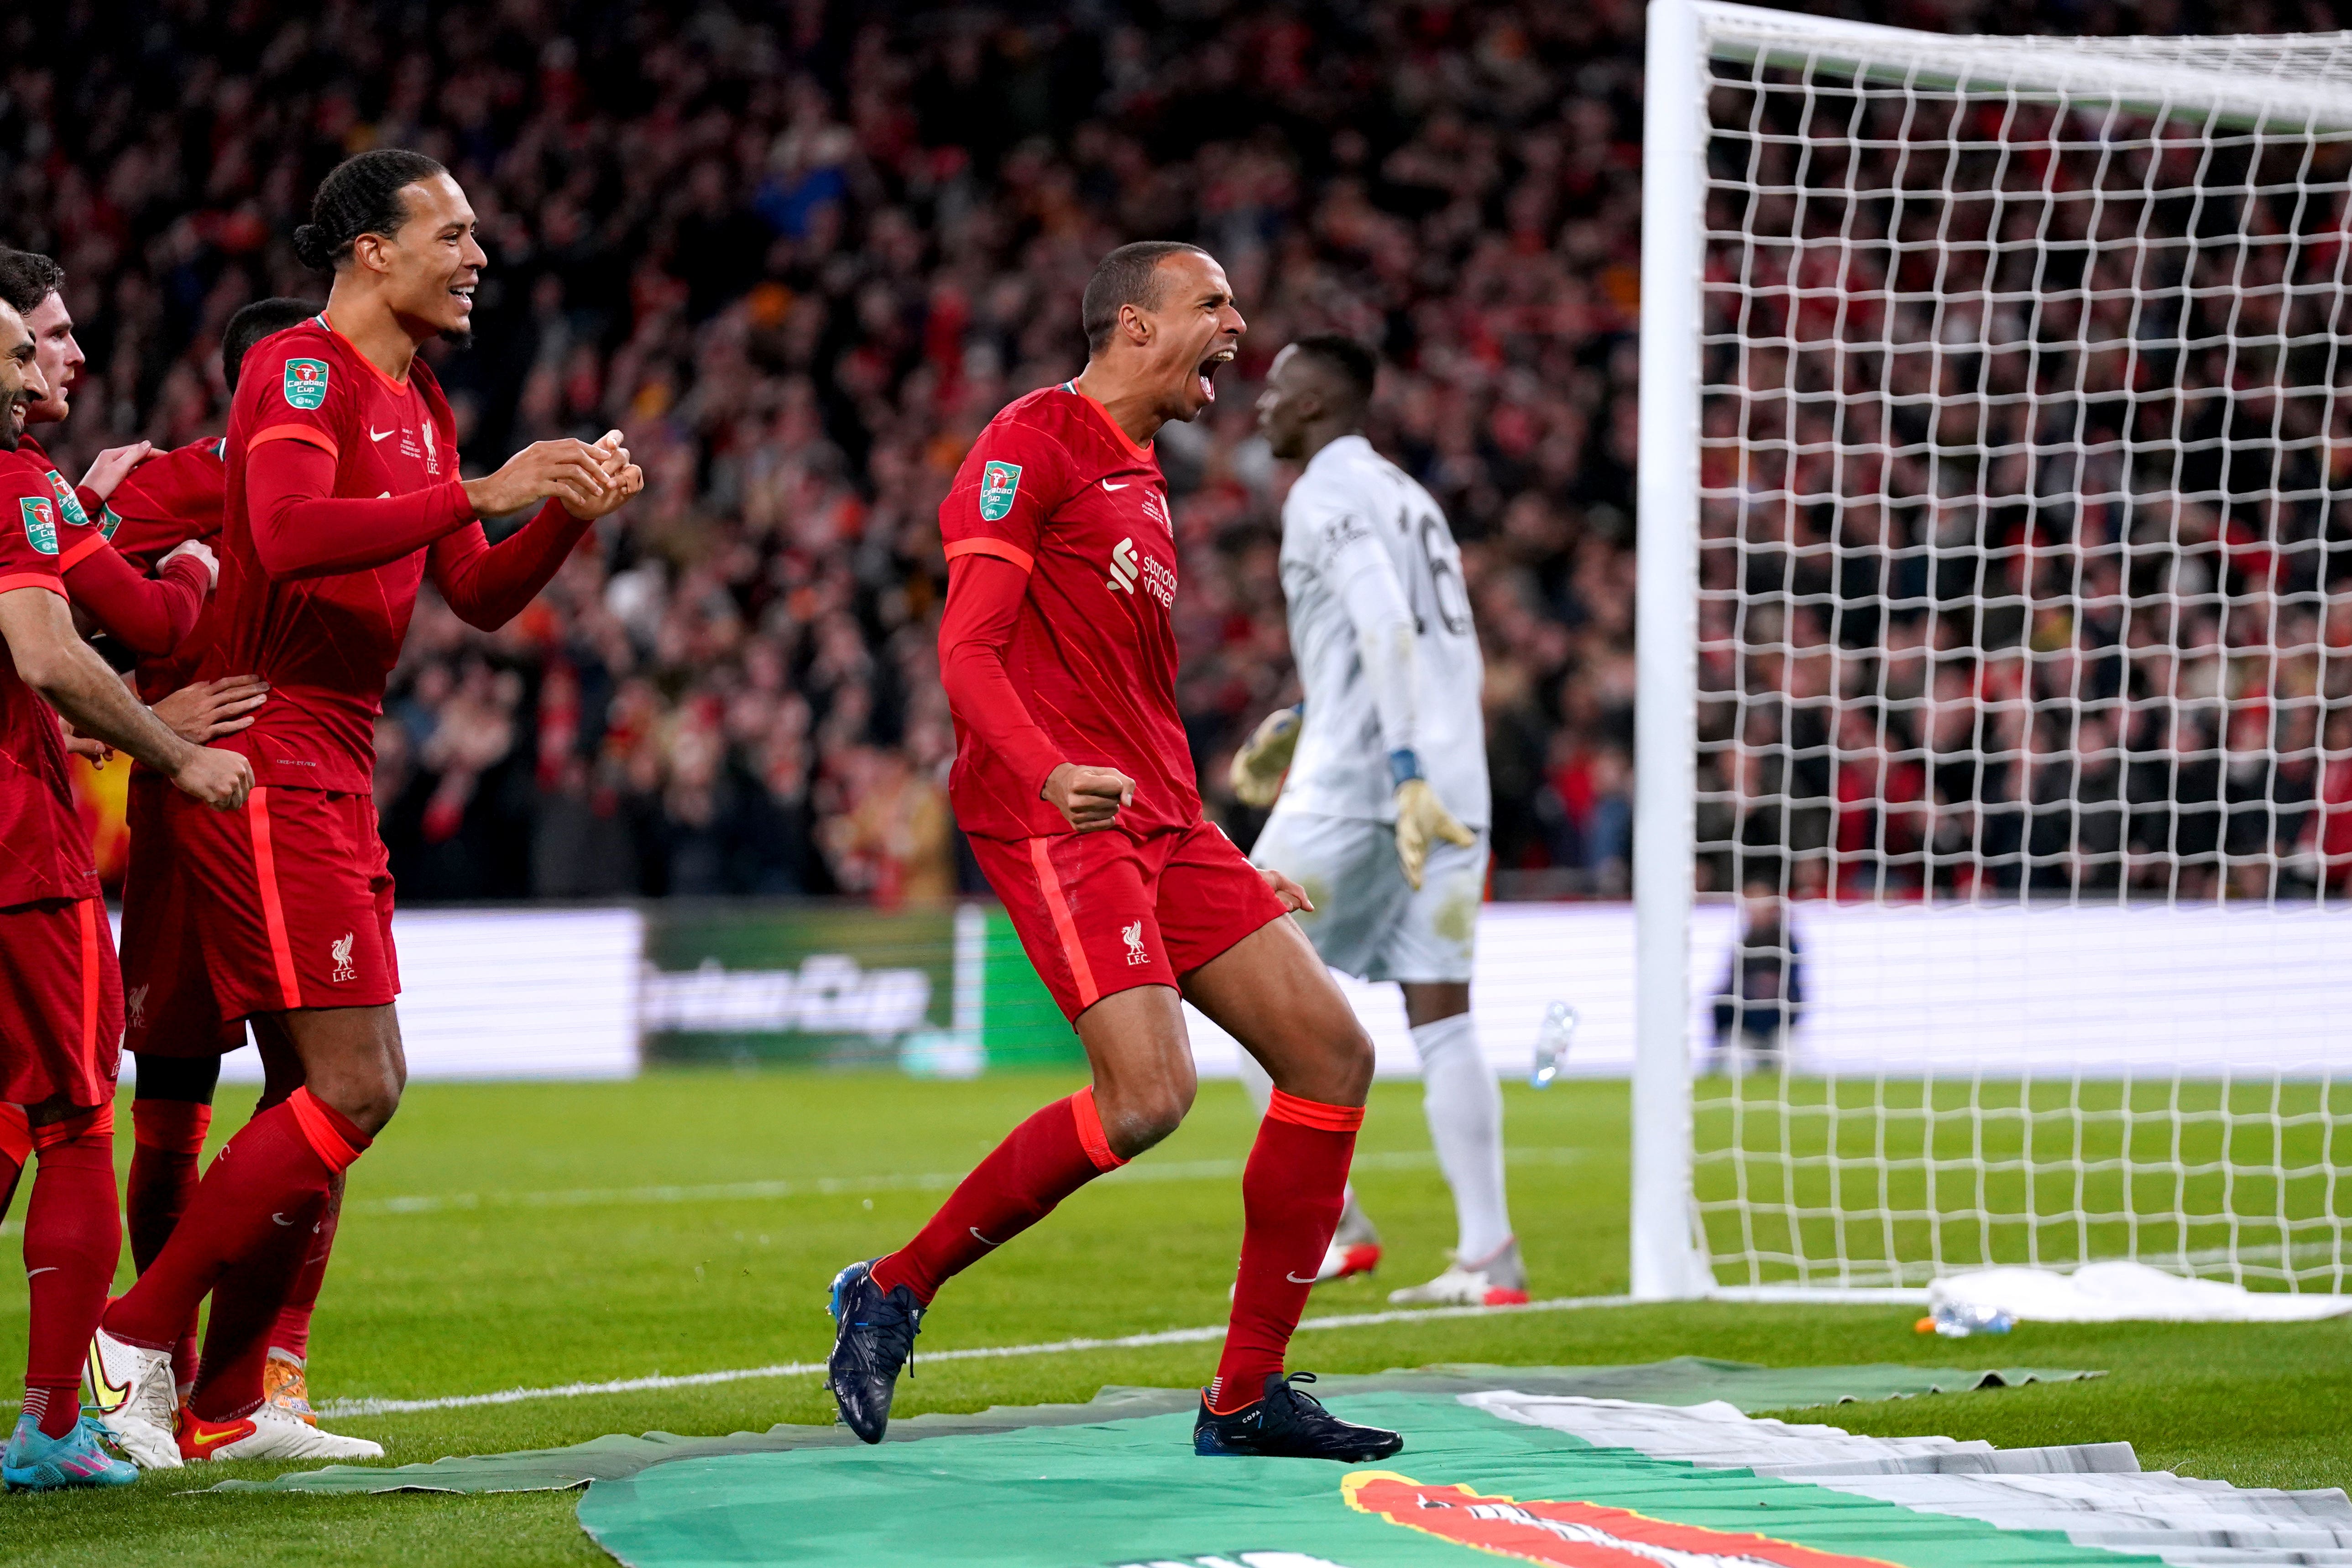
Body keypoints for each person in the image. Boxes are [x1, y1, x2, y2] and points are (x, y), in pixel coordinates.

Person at [85, 147, 643, 1469]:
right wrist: (487, 488)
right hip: (267, 753)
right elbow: (280, 532)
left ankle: (229, 1400)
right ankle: (131, 1339)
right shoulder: (299, 370)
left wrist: (560, 513)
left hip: (340, 760)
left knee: (307, 1090)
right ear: (369, 252)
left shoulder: (421, 398)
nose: (478, 255)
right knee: (356, 1083)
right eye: (451, 231)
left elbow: (479, 594)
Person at [825, 240, 1400, 1464]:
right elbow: (968, 655)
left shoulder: (1145, 475)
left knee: (1332, 1054)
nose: (1239, 326)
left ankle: (1245, 1397)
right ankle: (893, 1285)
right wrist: (1048, 774)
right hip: (1057, 813)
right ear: (1134, 326)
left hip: (1158, 814)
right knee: (1149, 1097)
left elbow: (1132, 696)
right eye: (1214, 304)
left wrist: (1222, 861)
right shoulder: (1031, 439)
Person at [0, 294, 253, 1491]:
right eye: (25, 343)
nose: (47, 363)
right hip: (19, 850)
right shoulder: (21, 483)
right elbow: (83, 637)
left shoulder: (53, 494)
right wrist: (168, 741)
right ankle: (58, 1424)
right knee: (77, 1123)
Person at [1232, 336, 1523, 1309]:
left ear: (1316, 405)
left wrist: (1394, 766)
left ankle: (1337, 1222)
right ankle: (1491, 1255)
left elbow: (1386, 624)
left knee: (1227, 961)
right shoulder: (1410, 496)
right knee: (1442, 1013)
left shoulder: (1323, 492)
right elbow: (1404, 641)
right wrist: (1311, 714)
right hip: (1454, 782)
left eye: (1276, 389)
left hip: (1372, 785)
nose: (1260, 405)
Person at [106, 297, 327, 1422]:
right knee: (171, 1112)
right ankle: (158, 1367)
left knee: (325, 1096)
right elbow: (46, 631)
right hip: (182, 830)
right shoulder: (166, 491)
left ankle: (271, 1383)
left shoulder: (349, 491)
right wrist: (144, 721)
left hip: (306, 824)